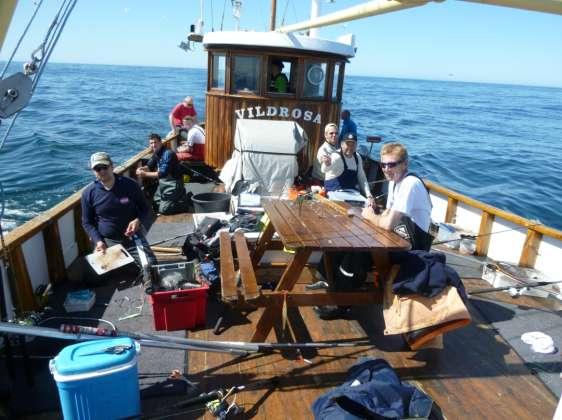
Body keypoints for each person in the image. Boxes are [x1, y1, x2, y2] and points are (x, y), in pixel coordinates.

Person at [81, 152, 154, 283]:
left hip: (132, 238)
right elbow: (87, 222)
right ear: (93, 171)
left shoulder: (130, 185)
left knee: (151, 268)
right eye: (98, 169)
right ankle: (123, 264)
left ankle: (126, 263)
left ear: (112, 166)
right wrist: (98, 241)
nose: (102, 171)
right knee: (92, 278)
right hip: (107, 241)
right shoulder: (88, 193)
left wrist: (138, 221)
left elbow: (146, 209)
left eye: (105, 166)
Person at [361, 142, 433, 252]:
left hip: (414, 247)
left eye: (391, 165)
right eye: (383, 165)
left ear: (405, 164)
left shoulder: (410, 183)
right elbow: (388, 212)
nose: (386, 169)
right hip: (399, 235)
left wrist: (369, 216)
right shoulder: (393, 181)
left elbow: (389, 224)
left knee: (362, 252)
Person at [136, 133, 188, 214]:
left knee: (164, 209)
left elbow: (162, 174)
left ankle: (184, 203)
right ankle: (178, 197)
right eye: (151, 143)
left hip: (174, 183)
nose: (153, 145)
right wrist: (142, 169)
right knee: (155, 204)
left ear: (160, 142)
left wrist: (144, 174)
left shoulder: (168, 154)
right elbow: (149, 166)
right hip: (163, 183)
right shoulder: (156, 153)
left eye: (155, 142)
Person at [322, 133, 374, 205]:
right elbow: (324, 170)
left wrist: (369, 195)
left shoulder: (357, 157)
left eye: (353, 145)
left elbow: (362, 178)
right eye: (347, 144)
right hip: (335, 193)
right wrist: (327, 163)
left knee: (368, 206)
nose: (350, 147)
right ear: (341, 144)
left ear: (356, 146)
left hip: (353, 194)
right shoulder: (336, 156)